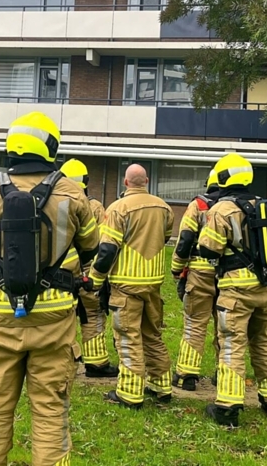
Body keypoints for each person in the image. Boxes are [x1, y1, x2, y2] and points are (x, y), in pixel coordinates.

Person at [0, 112, 99, 466]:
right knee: (50, 410)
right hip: (54, 317)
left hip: (0, 315)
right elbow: (91, 247)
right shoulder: (71, 192)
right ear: (50, 147)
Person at [198, 153, 267, 428]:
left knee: (232, 344)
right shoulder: (265, 205)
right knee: (263, 341)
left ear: (223, 178)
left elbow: (207, 248)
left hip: (236, 290)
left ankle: (227, 407)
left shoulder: (222, 210)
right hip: (266, 287)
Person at [89, 164, 174, 409]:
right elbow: (165, 237)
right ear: (145, 181)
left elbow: (106, 250)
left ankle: (129, 394)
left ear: (125, 183)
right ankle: (161, 386)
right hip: (153, 283)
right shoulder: (164, 207)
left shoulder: (117, 209)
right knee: (152, 335)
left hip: (126, 285)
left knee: (128, 337)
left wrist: (95, 278)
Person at [59, 158, 119, 379]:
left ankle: (61, 359)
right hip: (85, 270)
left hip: (58, 270)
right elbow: (101, 242)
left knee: (61, 315)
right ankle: (96, 363)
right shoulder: (94, 207)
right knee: (91, 313)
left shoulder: (52, 202)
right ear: (85, 181)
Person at [170, 169, 221, 392]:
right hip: (231, 277)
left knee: (195, 325)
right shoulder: (238, 207)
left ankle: (187, 376)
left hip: (200, 275)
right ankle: (225, 376)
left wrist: (176, 269)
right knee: (227, 329)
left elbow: (185, 240)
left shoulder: (199, 206)